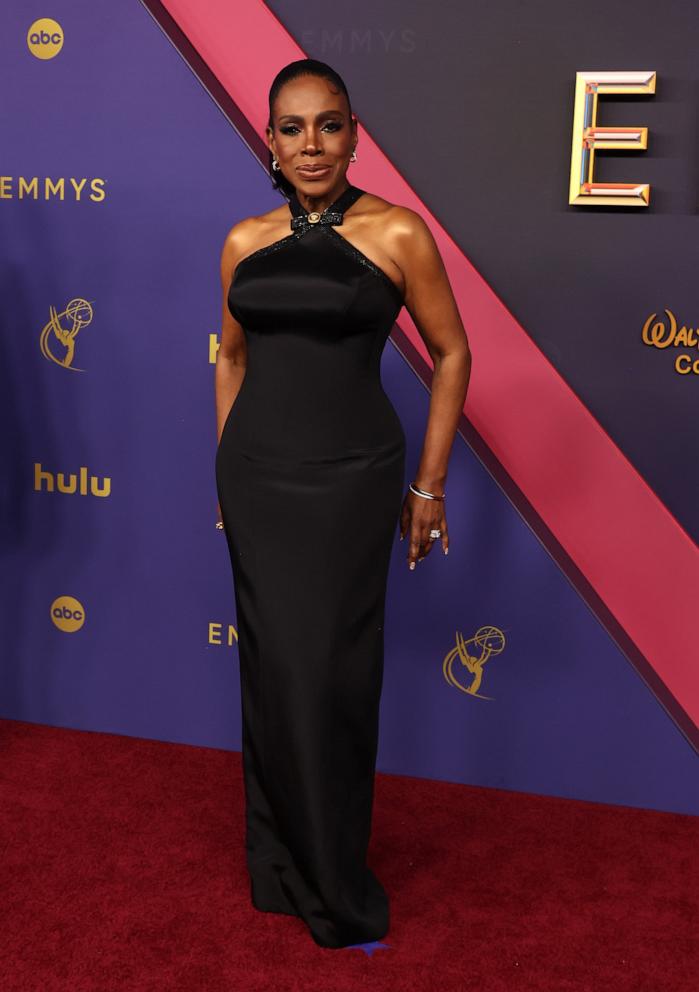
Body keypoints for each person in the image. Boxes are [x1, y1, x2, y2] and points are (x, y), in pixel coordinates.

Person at [214, 58, 471, 949]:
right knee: (275, 674)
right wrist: (224, 469)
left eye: (328, 125)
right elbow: (233, 359)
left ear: (354, 132)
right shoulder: (243, 241)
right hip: (257, 478)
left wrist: (428, 485)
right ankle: (280, 865)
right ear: (271, 142)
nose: (311, 144)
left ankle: (333, 872)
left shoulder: (398, 233)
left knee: (333, 675)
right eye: (292, 128)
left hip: (351, 478)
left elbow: (452, 355)